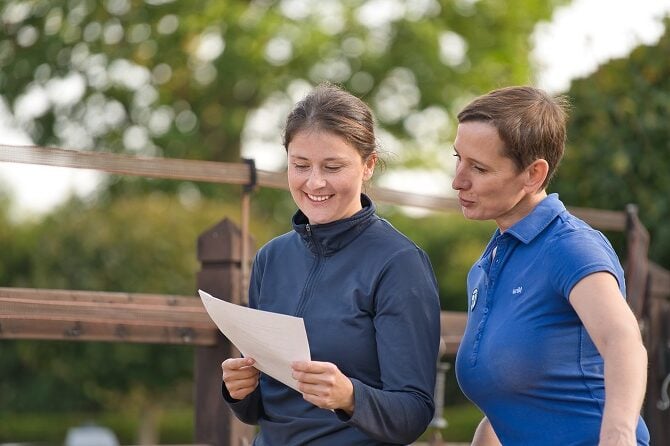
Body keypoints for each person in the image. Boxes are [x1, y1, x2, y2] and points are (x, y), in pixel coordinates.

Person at [220, 83, 442, 445]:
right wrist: (240, 390)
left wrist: (349, 397)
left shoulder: (399, 264)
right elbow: (263, 409)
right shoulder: (270, 259)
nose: (315, 182)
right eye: (300, 165)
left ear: (368, 165)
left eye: (333, 166)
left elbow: (413, 413)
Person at [451, 85, 650, 446]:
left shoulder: (571, 246)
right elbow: (511, 401)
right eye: (458, 159)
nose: (458, 181)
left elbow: (623, 340)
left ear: (533, 175)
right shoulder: (486, 266)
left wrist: (618, 435)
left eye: (478, 168)